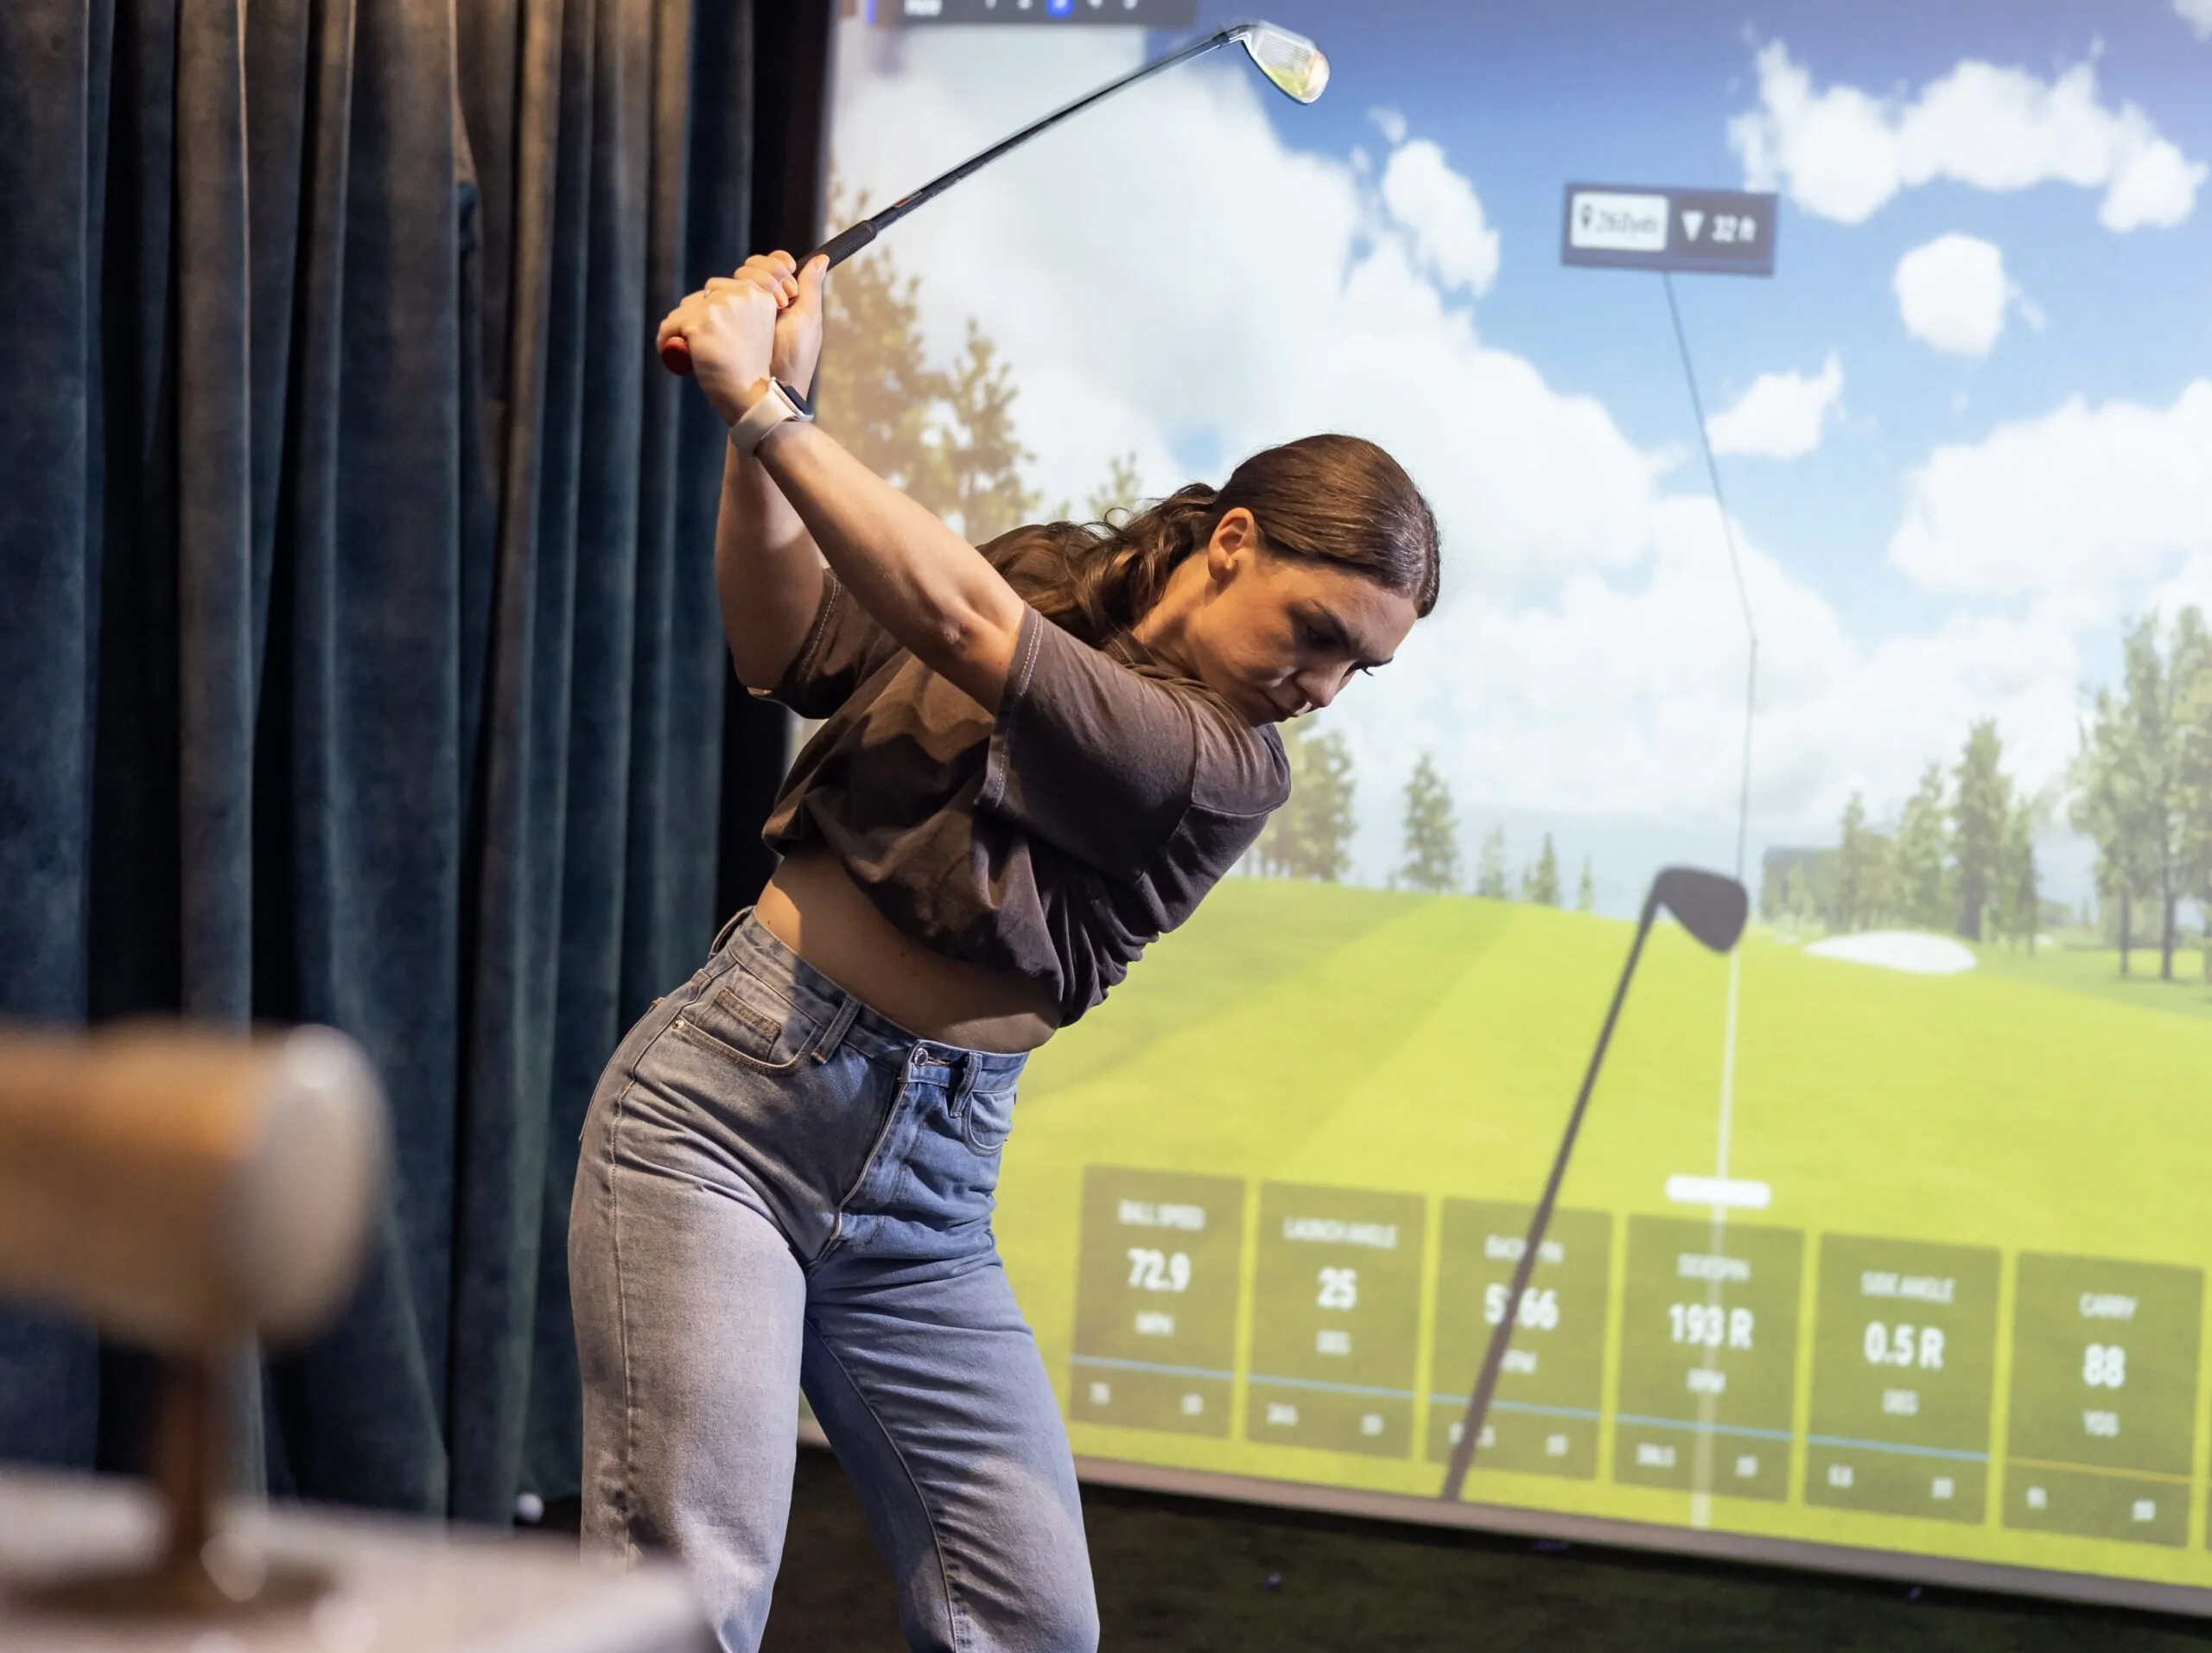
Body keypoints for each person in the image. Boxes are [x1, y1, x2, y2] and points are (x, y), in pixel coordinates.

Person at [569, 249, 1440, 1653]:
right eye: (1318, 634)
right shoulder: (1046, 573)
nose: (1325, 689)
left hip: (928, 1202)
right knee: (690, 1601)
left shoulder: (1225, 767)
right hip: (724, 1117)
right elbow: (787, 648)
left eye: (1361, 669)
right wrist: (764, 420)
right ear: (1232, 542)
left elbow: (967, 625)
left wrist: (768, 410)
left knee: (1032, 1626)